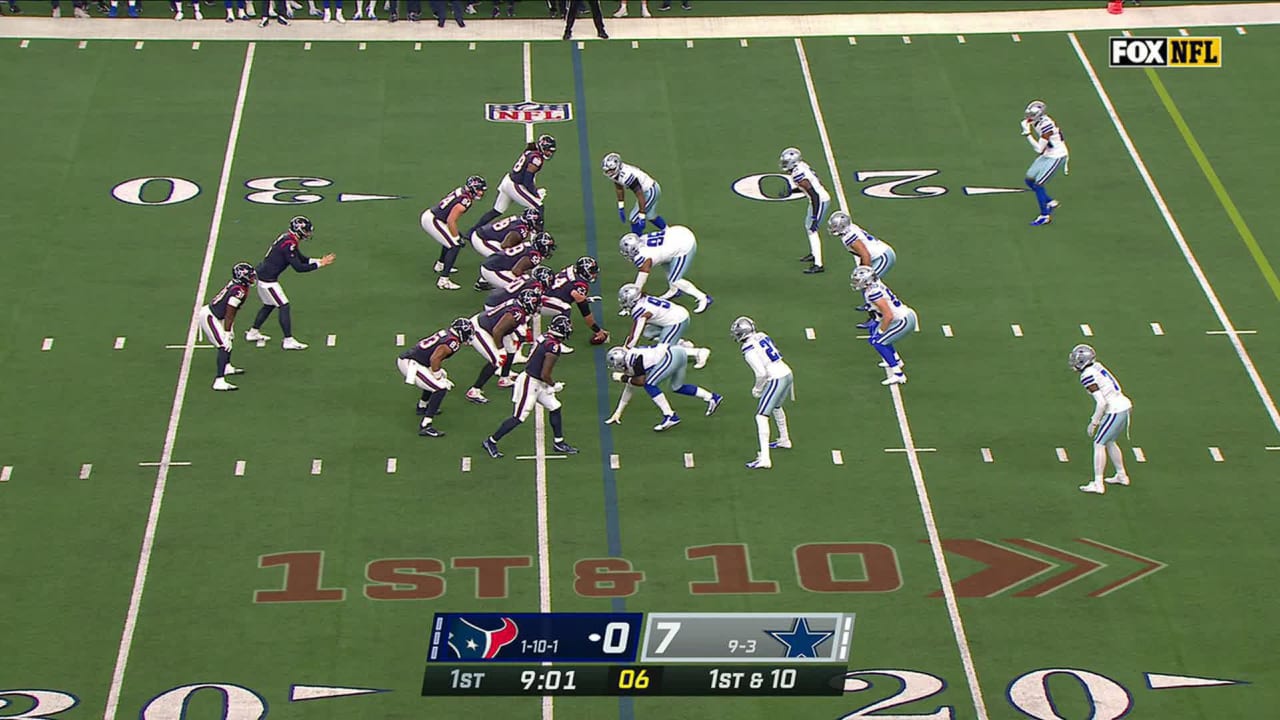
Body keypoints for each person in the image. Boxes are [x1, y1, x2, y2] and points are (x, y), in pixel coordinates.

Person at [482, 315, 580, 459]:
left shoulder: (545, 337)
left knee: (555, 406)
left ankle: (558, 442)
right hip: (531, 382)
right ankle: (491, 441)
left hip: (536, 380)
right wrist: (553, 385)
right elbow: (545, 373)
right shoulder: (553, 347)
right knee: (519, 417)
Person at [245, 216, 336, 350]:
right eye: (306, 230)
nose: (308, 233)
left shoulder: (288, 239)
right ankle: (288, 340)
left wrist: (319, 261)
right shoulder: (289, 244)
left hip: (264, 275)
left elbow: (301, 258)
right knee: (284, 306)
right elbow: (298, 268)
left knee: (269, 305)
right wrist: (319, 264)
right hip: (268, 280)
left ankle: (253, 332)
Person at [604, 344, 721, 431]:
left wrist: (622, 378)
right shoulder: (631, 358)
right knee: (677, 387)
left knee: (649, 384)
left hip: (672, 355)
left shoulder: (634, 360)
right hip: (678, 352)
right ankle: (712, 397)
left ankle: (670, 416)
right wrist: (618, 412)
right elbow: (630, 386)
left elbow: (640, 381)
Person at [1069, 344, 1133, 494]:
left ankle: (1098, 484)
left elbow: (1102, 402)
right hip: (1124, 404)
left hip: (1115, 410)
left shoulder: (1087, 375)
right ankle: (1121, 475)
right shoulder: (1097, 366)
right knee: (1110, 441)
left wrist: (1094, 421)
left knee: (1099, 443)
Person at [731, 316, 793, 469]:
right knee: (776, 407)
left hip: (776, 378)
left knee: (761, 416)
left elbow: (761, 374)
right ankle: (784, 439)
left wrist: (757, 389)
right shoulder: (762, 335)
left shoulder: (748, 350)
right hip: (787, 372)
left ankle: (765, 458)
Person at [467, 135, 555, 238]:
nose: (550, 153)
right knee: (538, 207)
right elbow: (527, 181)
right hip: (515, 186)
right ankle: (538, 236)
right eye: (548, 150)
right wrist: (535, 193)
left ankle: (471, 231)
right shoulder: (536, 159)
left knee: (496, 210)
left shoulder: (530, 151)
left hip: (508, 181)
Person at [398, 318, 473, 437]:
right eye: (468, 332)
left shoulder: (447, 333)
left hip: (415, 361)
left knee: (438, 378)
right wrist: (437, 376)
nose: (469, 335)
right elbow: (435, 358)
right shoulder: (452, 342)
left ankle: (422, 406)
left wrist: (437, 373)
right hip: (412, 364)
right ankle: (426, 425)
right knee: (440, 388)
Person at [465, 288, 541, 404]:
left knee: (511, 348)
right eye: (535, 304)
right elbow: (497, 331)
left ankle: (504, 378)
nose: (536, 307)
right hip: (479, 329)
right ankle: (474, 390)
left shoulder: (518, 307)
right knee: (498, 359)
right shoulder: (516, 313)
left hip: (491, 325)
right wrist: (500, 349)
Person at [828, 211, 897, 329]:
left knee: (868, 284)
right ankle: (872, 307)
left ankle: (875, 318)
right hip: (881, 254)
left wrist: (864, 271)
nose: (833, 228)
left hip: (882, 257)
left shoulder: (848, 237)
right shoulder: (850, 229)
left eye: (835, 226)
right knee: (865, 285)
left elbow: (865, 255)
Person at [619, 225, 711, 313]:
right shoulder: (642, 239)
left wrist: (632, 297)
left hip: (684, 245)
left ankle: (703, 298)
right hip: (676, 232)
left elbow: (640, 281)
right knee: (664, 261)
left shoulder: (643, 256)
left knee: (675, 280)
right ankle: (674, 290)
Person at [850, 266, 916, 386]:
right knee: (873, 330)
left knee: (878, 341)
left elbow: (888, 315)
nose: (856, 282)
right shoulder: (875, 285)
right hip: (900, 316)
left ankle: (898, 375)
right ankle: (896, 360)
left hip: (903, 320)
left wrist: (881, 332)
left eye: (859, 280)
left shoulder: (873, 293)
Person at [617, 283, 710, 368]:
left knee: (662, 352)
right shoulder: (643, 299)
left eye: (625, 300)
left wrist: (626, 349)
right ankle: (681, 343)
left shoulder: (639, 309)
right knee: (648, 332)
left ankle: (698, 352)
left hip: (677, 321)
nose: (623, 302)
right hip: (675, 315)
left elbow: (635, 334)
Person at [421, 176, 487, 290]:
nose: (481, 193)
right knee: (454, 245)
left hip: (435, 217)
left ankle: (441, 264)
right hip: (434, 220)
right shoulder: (465, 201)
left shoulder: (461, 191)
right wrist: (457, 238)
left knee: (451, 239)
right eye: (479, 190)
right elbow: (451, 220)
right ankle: (443, 280)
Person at [199, 263, 256, 392]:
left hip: (218, 316)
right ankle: (219, 381)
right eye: (250, 276)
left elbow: (231, 312)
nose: (253, 278)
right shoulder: (238, 291)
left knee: (229, 340)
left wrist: (230, 328)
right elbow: (230, 311)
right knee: (224, 345)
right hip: (210, 317)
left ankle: (227, 367)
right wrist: (227, 331)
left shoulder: (239, 286)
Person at [540, 256, 608, 354]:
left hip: (545, 294)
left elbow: (566, 289)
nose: (594, 274)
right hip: (543, 301)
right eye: (592, 271)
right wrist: (597, 330)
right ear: (585, 272)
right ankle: (555, 341)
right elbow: (585, 312)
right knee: (565, 308)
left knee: (563, 305)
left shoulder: (571, 270)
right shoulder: (580, 284)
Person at [779, 146, 831, 274]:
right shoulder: (801, 166)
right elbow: (809, 186)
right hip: (818, 198)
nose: (784, 164)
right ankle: (814, 253)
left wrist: (815, 216)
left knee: (812, 229)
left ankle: (818, 264)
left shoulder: (798, 174)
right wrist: (792, 191)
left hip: (820, 200)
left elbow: (814, 195)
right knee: (808, 227)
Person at [1021, 100, 1069, 226]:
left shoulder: (1046, 125)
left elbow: (1038, 149)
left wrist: (1027, 134)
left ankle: (1044, 215)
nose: (1028, 117)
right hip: (1047, 154)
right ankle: (1050, 202)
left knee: (1038, 184)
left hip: (1056, 156)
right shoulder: (1038, 121)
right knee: (1029, 180)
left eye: (1031, 115)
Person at [602, 152, 666, 235]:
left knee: (634, 218)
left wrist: (642, 215)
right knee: (650, 215)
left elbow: (640, 195)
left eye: (611, 170)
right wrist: (621, 206)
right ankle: (667, 230)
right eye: (607, 170)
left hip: (650, 191)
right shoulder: (617, 173)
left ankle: (637, 240)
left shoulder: (627, 176)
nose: (609, 172)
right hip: (647, 191)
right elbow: (619, 188)